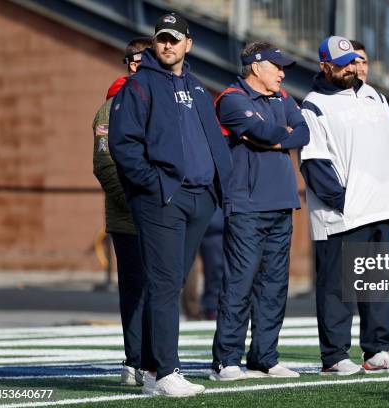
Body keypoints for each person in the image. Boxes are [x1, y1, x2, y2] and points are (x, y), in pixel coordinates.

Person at [109, 12, 232, 397]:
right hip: (163, 199)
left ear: (188, 44)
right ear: (155, 42)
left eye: (174, 39)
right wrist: (156, 185)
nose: (167, 44)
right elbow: (123, 145)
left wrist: (216, 188)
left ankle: (148, 368)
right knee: (163, 285)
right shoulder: (138, 86)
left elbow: (213, 142)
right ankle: (165, 371)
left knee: (171, 283)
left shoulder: (196, 87)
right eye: (162, 38)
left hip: (200, 200)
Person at [300, 36, 389, 375]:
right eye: (342, 62)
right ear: (325, 65)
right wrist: (345, 201)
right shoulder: (313, 104)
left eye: (353, 61)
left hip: (382, 206)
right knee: (337, 286)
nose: (351, 67)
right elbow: (314, 162)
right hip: (343, 213)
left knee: (376, 282)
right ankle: (334, 356)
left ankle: (378, 349)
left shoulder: (374, 95)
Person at [210, 41, 310, 381]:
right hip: (247, 206)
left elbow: (305, 132)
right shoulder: (232, 98)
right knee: (239, 284)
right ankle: (226, 361)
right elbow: (263, 131)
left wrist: (278, 139)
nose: (283, 73)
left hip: (282, 203)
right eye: (277, 66)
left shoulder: (283, 98)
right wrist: (278, 135)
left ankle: (265, 357)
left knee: (274, 286)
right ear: (256, 67)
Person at [92, 36, 151, 387]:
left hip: (161, 215)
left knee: (161, 287)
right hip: (129, 217)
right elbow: (104, 164)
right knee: (135, 288)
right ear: (132, 64)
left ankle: (156, 357)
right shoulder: (111, 107)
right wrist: (135, 201)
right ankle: (135, 360)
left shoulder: (161, 103)